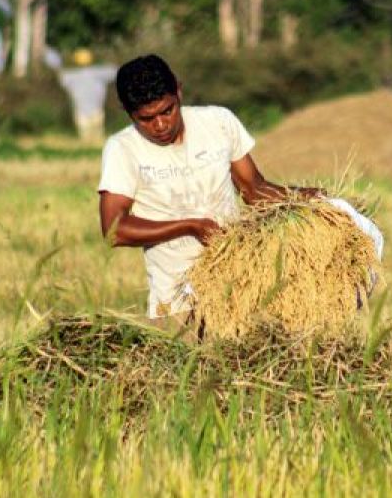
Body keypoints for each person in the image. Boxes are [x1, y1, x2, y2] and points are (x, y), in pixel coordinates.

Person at [97, 54, 309, 320]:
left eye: (167, 110)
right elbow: (114, 231)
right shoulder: (122, 149)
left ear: (179, 91)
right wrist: (190, 226)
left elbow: (254, 190)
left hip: (241, 291)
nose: (160, 125)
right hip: (177, 305)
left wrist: (302, 198)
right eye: (146, 119)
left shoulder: (218, 122)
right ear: (128, 113)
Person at [58, 48, 118, 142]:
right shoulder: (100, 73)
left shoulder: (71, 76)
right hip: (97, 110)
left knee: (85, 140)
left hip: (81, 111)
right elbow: (114, 70)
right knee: (98, 140)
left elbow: (61, 77)